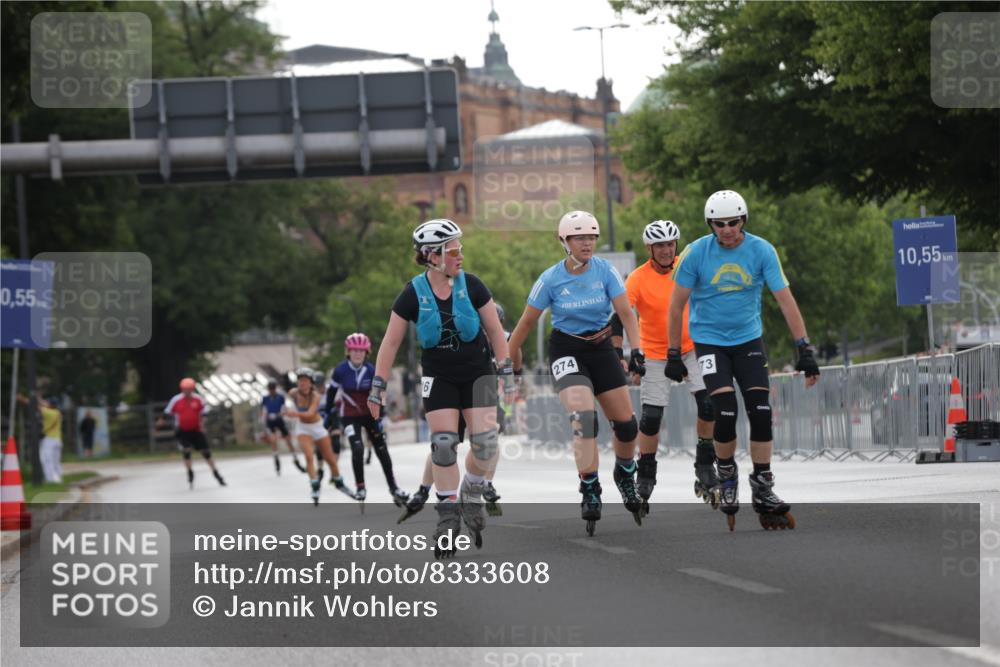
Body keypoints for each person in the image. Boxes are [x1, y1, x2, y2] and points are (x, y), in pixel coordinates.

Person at [667, 190, 820, 530]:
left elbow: (785, 300)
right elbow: (676, 305)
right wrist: (674, 352)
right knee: (725, 410)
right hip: (709, 344)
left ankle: (763, 486)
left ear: (743, 221)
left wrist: (804, 347)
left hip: (748, 340)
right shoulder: (695, 253)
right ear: (710, 225)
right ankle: (726, 475)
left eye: (733, 223)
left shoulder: (762, 250)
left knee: (761, 411)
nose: (727, 230)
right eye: (719, 224)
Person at [369, 219, 512, 558]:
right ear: (433, 256)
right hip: (440, 376)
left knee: (486, 443)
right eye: (454, 250)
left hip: (478, 372)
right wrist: (377, 388)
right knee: (444, 445)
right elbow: (389, 344)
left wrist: (505, 371)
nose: (460, 255)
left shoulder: (473, 285)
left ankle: (472, 491)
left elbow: (495, 331)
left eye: (459, 248)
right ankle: (447, 518)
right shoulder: (411, 294)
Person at [507, 211, 646, 536]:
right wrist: (508, 362)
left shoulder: (605, 270)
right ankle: (590, 486)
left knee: (627, 427)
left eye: (592, 237)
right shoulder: (551, 279)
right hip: (567, 350)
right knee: (585, 419)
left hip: (600, 349)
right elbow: (525, 324)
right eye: (580, 238)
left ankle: (625, 473)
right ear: (565, 242)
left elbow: (626, 312)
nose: (587, 243)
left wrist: (636, 351)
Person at [612, 220, 718, 513]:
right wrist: (622, 351)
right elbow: (620, 315)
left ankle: (705, 464)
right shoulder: (637, 278)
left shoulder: (687, 268)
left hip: (691, 346)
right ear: (649, 248)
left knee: (709, 404)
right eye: (659, 245)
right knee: (651, 417)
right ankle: (645, 473)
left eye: (670, 244)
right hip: (656, 351)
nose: (666, 250)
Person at [399, 302, 510, 523]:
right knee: (444, 444)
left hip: (485, 394)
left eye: (493, 327)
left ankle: (484, 484)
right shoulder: (465, 335)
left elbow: (515, 366)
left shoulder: (504, 339)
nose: (488, 332)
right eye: (484, 327)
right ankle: (423, 489)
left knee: (491, 437)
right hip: (457, 391)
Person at [328, 332, 408, 506]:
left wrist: (382, 414)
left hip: (370, 415)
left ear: (367, 352)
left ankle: (394, 488)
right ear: (348, 351)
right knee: (357, 449)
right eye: (354, 350)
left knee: (381, 449)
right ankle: (360, 487)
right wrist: (328, 414)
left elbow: (380, 393)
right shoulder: (340, 370)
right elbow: (331, 394)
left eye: (361, 351)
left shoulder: (371, 370)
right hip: (349, 416)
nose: (358, 354)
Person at [287, 368, 353, 505]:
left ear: (311, 383)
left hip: (317, 426)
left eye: (305, 381)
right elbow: (288, 401)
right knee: (309, 456)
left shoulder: (316, 396)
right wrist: (287, 410)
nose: (302, 383)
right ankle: (315, 485)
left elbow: (311, 413)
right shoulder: (294, 393)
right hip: (303, 428)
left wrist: (294, 414)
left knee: (330, 459)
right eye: (300, 381)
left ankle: (338, 481)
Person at [158, 378, 225, 489]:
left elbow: (204, 413)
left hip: (196, 430)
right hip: (183, 431)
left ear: (192, 389)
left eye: (189, 389)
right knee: (187, 450)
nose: (187, 392)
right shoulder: (176, 400)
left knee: (206, 453)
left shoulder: (198, 399)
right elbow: (167, 412)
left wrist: (203, 425)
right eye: (185, 389)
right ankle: (190, 473)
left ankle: (216, 474)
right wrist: (160, 422)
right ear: (182, 389)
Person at [261, 380, 305, 475]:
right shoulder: (265, 398)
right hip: (270, 420)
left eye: (273, 389)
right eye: (270, 389)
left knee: (288, 440)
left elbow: (283, 408)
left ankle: (295, 459)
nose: (272, 391)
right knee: (273, 440)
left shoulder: (280, 397)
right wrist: (265, 420)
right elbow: (264, 410)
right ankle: (276, 459)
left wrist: (280, 414)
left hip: (279, 419)